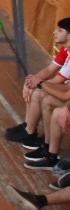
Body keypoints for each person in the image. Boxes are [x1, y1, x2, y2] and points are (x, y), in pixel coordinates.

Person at [5, 19, 70, 149]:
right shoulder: (65, 50)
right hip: (65, 88)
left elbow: (57, 81)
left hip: (66, 89)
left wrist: (38, 83)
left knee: (38, 91)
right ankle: (28, 126)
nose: (54, 32)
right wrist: (32, 81)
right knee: (33, 87)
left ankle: (31, 133)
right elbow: (49, 70)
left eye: (59, 30)